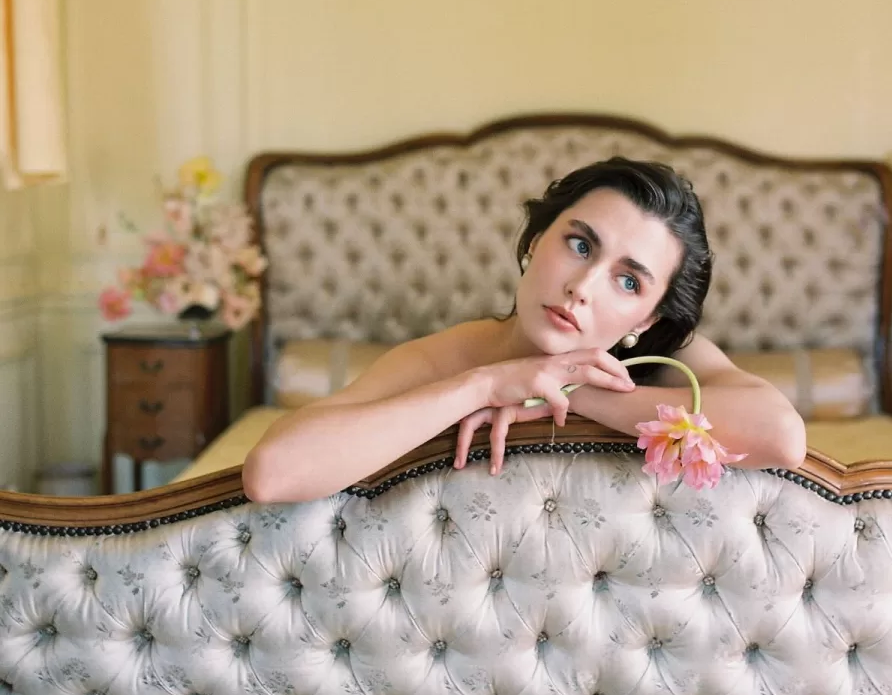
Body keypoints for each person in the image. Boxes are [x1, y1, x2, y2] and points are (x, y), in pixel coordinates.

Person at [242, 157, 806, 503]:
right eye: (580, 245)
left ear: (649, 319)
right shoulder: (449, 357)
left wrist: (565, 391)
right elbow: (273, 474)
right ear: (537, 240)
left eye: (629, 282)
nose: (583, 286)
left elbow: (782, 437)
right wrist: (485, 386)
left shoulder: (672, 364)